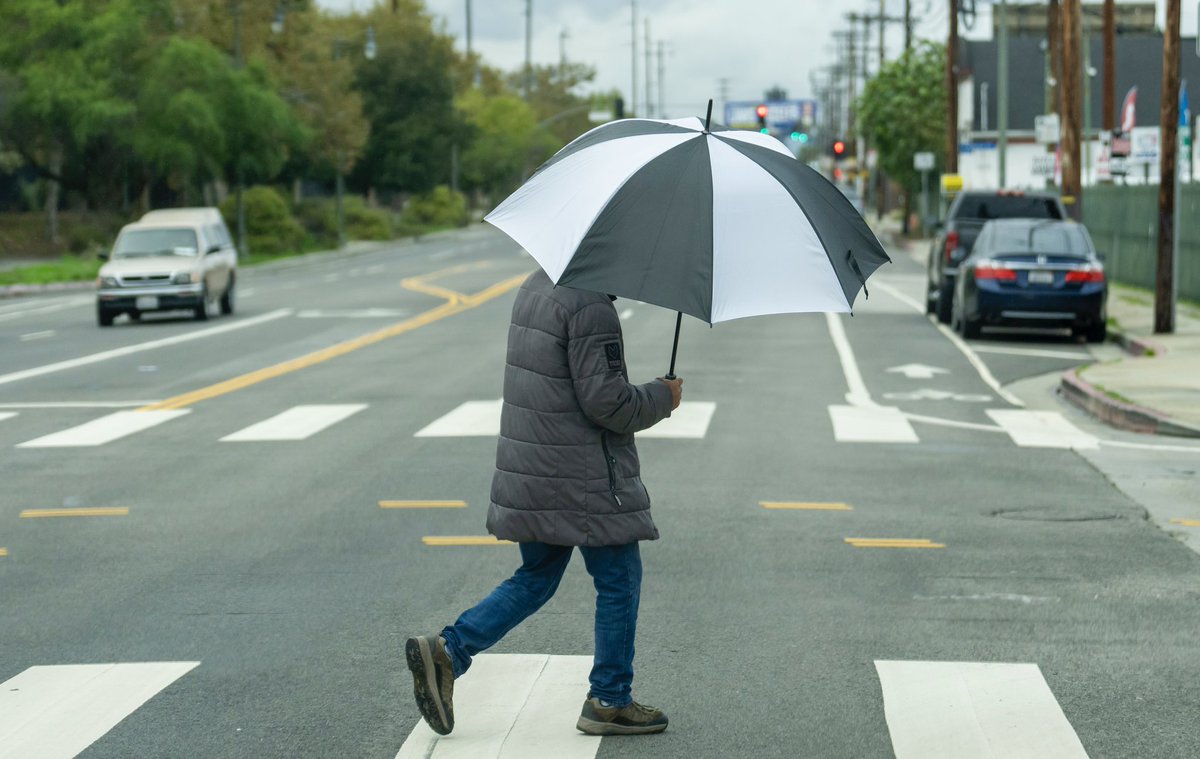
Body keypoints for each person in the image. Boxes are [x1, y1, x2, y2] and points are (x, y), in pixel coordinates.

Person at [405, 268, 683, 737]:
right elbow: (607, 403)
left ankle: (449, 652)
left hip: (535, 466)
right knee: (619, 578)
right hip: (582, 477)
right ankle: (610, 699)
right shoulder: (592, 306)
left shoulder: (538, 285)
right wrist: (663, 396)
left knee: (536, 576)